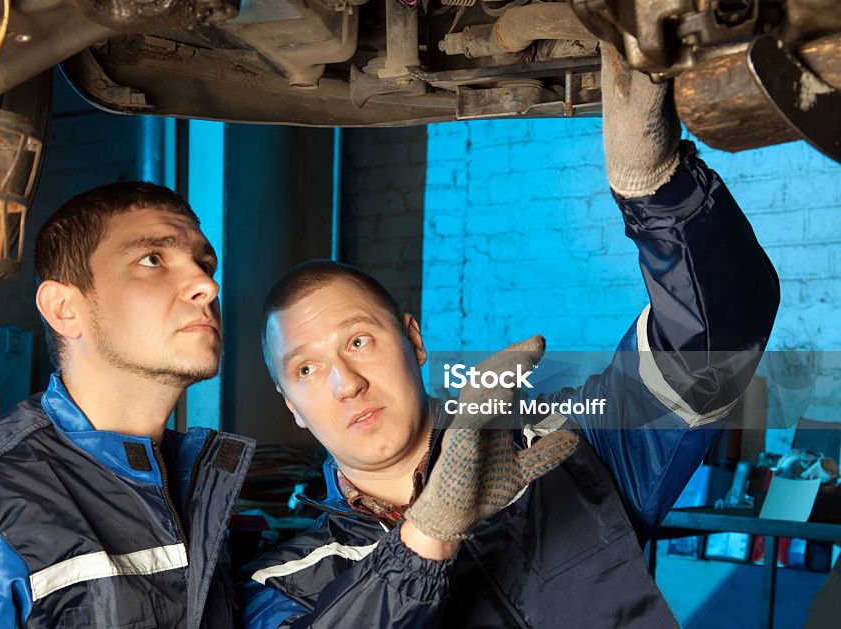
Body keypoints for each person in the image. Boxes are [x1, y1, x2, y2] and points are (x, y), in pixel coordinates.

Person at [241, 44, 782, 628]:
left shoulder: (565, 450)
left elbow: (714, 341)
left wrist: (655, 187)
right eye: (306, 369)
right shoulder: (285, 584)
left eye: (357, 341)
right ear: (291, 406)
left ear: (414, 342)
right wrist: (428, 536)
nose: (345, 382)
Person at [0, 183, 253, 628]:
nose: (206, 284)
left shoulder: (192, 482)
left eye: (203, 264)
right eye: (152, 259)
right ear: (64, 308)